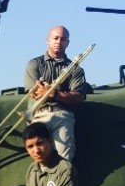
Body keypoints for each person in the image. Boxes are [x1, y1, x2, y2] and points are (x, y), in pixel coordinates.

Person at [25, 26, 91, 161]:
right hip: (38, 114)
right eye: (55, 38)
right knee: (40, 158)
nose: (58, 42)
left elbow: (78, 96)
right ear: (48, 40)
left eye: (63, 39)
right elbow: (35, 93)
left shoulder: (76, 69)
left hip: (62, 115)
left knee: (64, 159)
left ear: (68, 43)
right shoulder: (35, 64)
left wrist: (53, 94)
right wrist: (60, 94)